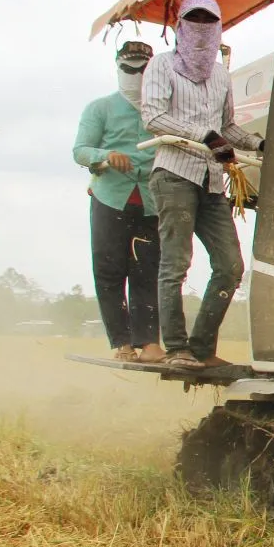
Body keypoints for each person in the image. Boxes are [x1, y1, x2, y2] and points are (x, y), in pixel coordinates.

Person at [140, 0, 264, 370]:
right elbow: (153, 116)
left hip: (211, 181)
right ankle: (176, 348)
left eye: (208, 22)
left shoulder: (222, 75)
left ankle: (201, 347)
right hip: (174, 173)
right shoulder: (162, 66)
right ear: (179, 26)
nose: (200, 29)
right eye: (192, 20)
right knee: (175, 264)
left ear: (218, 29)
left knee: (230, 265)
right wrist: (204, 136)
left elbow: (227, 127)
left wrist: (259, 143)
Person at [72, 40, 164, 363]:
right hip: (109, 197)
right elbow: (80, 150)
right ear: (118, 68)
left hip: (152, 201)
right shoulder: (100, 109)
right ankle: (121, 343)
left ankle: (150, 343)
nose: (135, 75)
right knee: (110, 270)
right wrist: (106, 157)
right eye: (128, 68)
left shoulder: (162, 111)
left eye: (143, 69)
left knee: (147, 269)